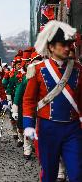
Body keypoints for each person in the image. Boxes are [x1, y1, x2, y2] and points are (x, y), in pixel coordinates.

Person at [23, 20, 82, 182]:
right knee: (49, 174)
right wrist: (28, 125)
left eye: (69, 44)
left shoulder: (78, 69)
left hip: (73, 128)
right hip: (48, 128)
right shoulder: (38, 69)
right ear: (50, 47)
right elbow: (28, 100)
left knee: (77, 173)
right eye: (62, 44)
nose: (67, 48)